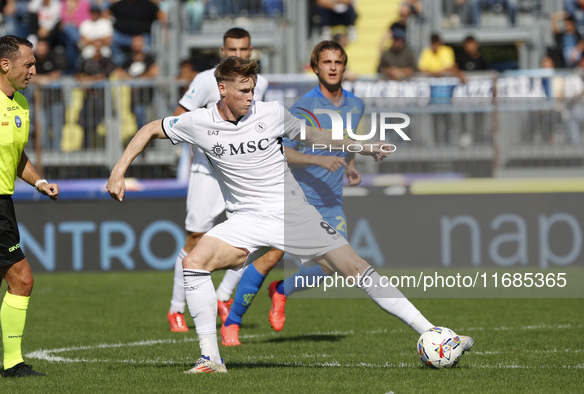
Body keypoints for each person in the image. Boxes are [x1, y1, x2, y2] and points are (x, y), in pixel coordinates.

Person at [106, 55, 474, 374]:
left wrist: (363, 146)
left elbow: (314, 137)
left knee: (355, 269)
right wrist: (118, 171)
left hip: (291, 213)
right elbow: (151, 128)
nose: (252, 97)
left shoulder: (270, 113)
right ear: (222, 89)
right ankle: (210, 358)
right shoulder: (198, 122)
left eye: (253, 89)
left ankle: (434, 331)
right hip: (246, 219)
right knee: (195, 262)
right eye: (244, 91)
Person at [219, 40, 364, 346]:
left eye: (338, 61)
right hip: (296, 197)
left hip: (330, 200)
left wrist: (349, 166)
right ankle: (232, 324)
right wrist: (317, 159)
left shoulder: (356, 104)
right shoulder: (303, 107)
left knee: (332, 267)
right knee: (270, 257)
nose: (334, 67)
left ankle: (281, 290)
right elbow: (282, 153)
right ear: (315, 68)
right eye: (327, 62)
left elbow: (346, 141)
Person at [165, 27, 281, 333]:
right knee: (195, 239)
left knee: (256, 242)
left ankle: (222, 297)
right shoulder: (206, 80)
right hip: (207, 172)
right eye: (232, 50)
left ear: (251, 50)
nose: (238, 55)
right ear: (222, 51)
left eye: (244, 50)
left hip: (243, 175)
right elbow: (179, 117)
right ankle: (177, 309)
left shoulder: (261, 83)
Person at [0, 34, 59, 377]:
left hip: (4, 202)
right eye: (29, 64)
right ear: (6, 65)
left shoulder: (19, 103)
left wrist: (39, 182)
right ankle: (13, 364)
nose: (34, 70)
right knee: (22, 280)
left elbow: (16, 157)